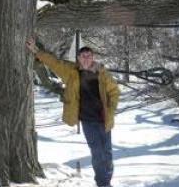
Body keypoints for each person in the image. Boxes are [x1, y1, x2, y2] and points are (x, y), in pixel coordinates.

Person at [26, 38, 120, 187]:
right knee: (97, 152)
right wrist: (37, 52)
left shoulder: (102, 73)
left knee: (107, 153)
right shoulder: (71, 71)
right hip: (88, 121)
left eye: (89, 56)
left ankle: (106, 180)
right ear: (78, 59)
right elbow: (54, 62)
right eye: (83, 56)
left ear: (92, 57)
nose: (86, 58)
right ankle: (103, 183)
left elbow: (114, 91)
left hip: (104, 119)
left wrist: (111, 108)